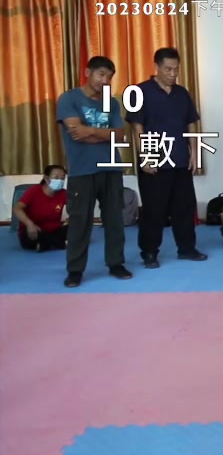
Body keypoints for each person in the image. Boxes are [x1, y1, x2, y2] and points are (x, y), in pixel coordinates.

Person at [126, 47, 207, 268]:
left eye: (176, 69)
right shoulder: (140, 92)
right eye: (168, 69)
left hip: (180, 158)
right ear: (157, 67)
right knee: (154, 210)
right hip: (155, 159)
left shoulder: (182, 93)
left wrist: (194, 152)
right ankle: (149, 252)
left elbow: (191, 123)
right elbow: (137, 127)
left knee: (185, 207)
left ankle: (187, 248)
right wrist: (145, 156)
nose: (173, 74)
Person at [55, 56, 132, 287]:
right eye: (101, 75)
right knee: (80, 222)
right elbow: (74, 132)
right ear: (87, 72)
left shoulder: (111, 102)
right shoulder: (69, 98)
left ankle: (116, 263)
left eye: (109, 77)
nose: (105, 81)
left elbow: (119, 135)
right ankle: (75, 269)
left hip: (111, 167)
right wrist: (103, 134)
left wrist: (88, 131)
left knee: (114, 219)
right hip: (82, 169)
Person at [14, 165, 69, 252]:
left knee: (77, 228)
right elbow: (17, 208)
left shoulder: (63, 193)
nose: (60, 181)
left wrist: (72, 219)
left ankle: (46, 244)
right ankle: (60, 244)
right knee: (33, 237)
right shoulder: (34, 191)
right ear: (46, 178)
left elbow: (76, 207)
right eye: (56, 177)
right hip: (35, 230)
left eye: (62, 178)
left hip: (54, 230)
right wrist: (30, 224)